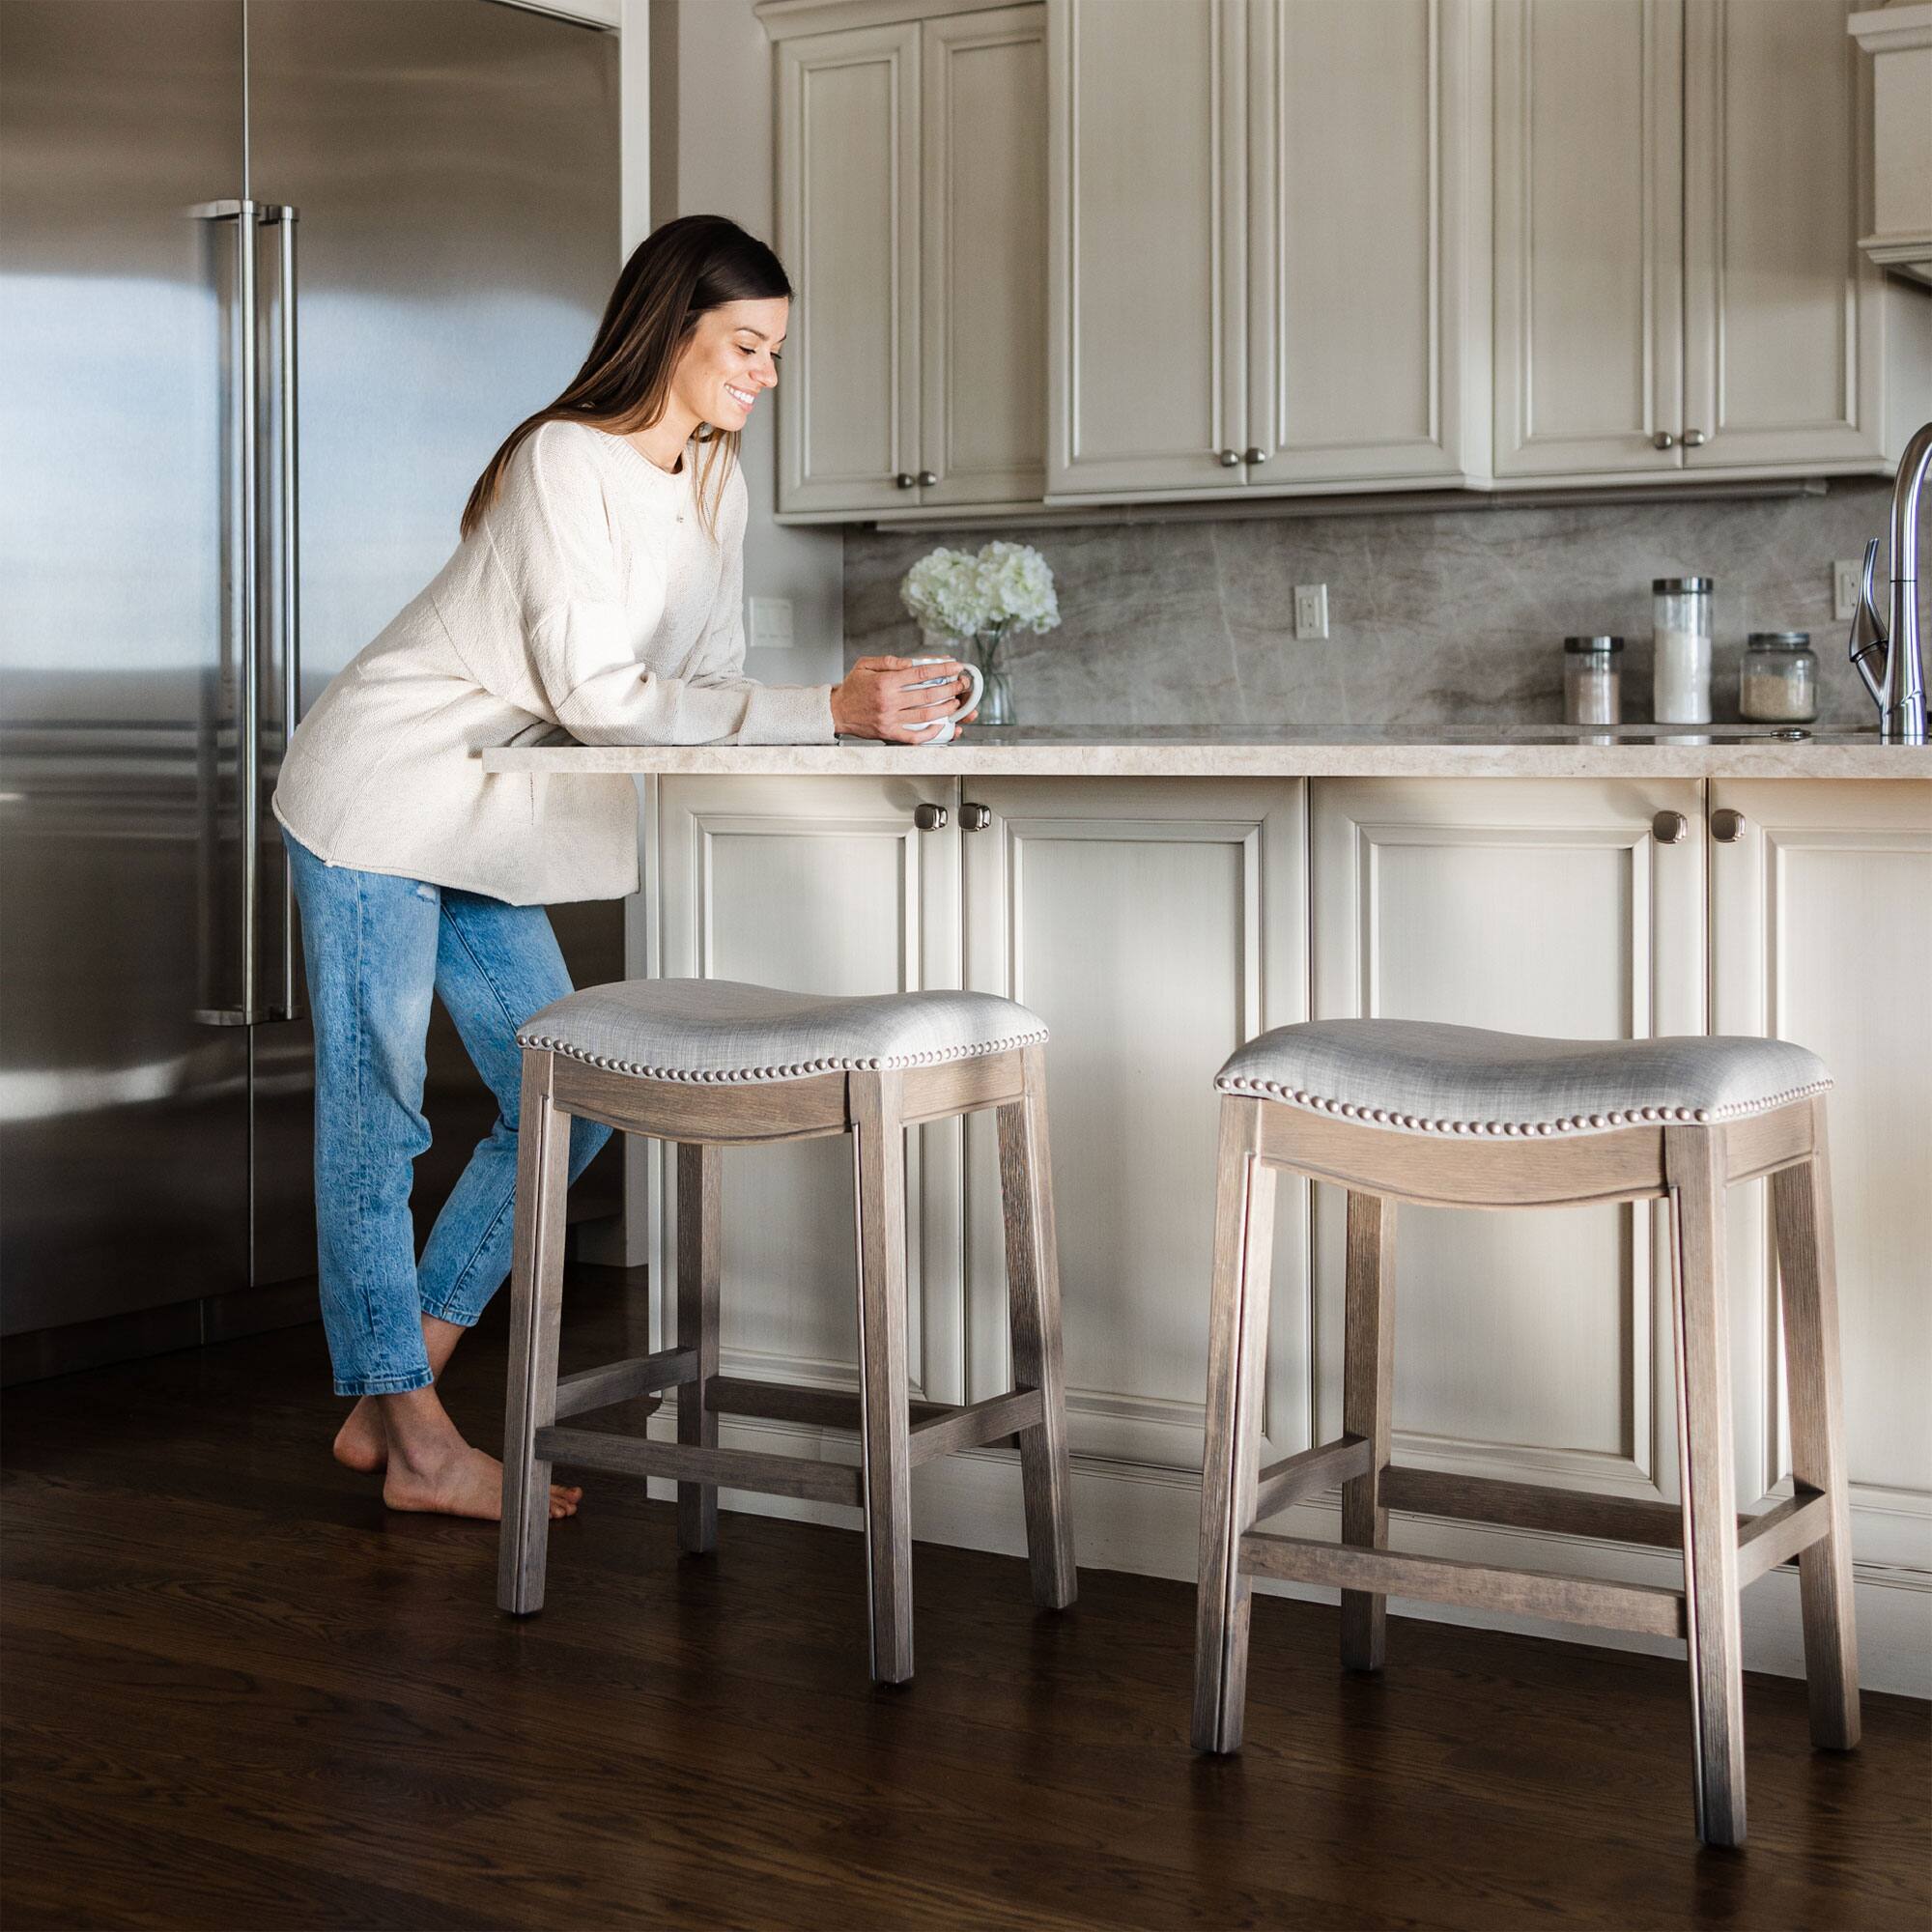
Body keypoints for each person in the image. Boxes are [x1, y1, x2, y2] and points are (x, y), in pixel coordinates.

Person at [271, 213, 972, 1522]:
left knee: (574, 1098)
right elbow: (604, 695)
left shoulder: (716, 480)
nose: (765, 374)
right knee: (380, 1121)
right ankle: (422, 1449)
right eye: (745, 346)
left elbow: (696, 686)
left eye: (774, 351)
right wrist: (821, 707)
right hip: (382, 794)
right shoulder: (562, 461)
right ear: (672, 334)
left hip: (494, 817)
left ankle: (392, 1390)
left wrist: (857, 706)